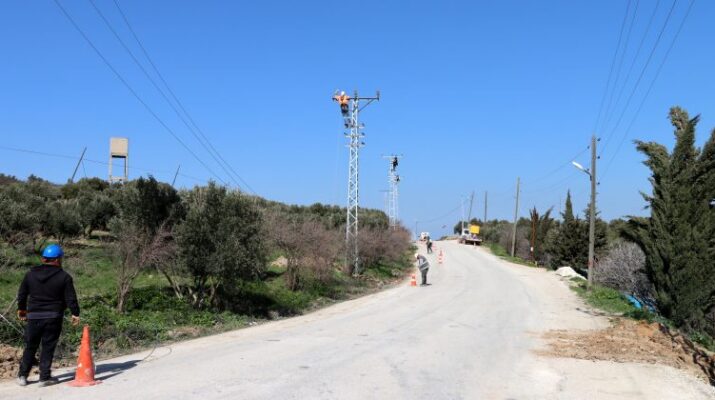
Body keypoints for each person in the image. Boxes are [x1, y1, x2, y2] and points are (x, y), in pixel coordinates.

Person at [16, 244, 80, 387]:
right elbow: (71, 298)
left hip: (33, 316)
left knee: (30, 346)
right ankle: (44, 378)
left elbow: (22, 294)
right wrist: (75, 313)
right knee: (48, 346)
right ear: (57, 259)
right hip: (53, 317)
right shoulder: (64, 277)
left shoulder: (30, 274)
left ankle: (22, 376)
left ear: (44, 259)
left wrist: (22, 309)